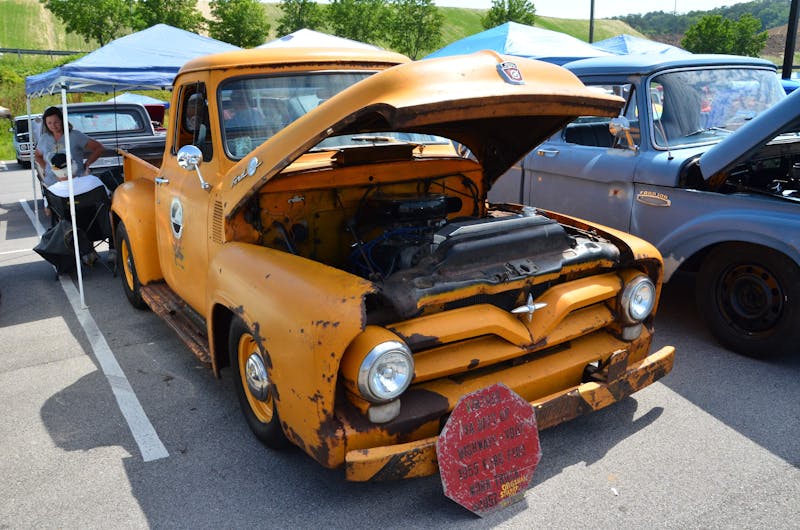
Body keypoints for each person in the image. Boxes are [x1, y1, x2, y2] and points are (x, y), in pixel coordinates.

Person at [34, 106, 105, 187]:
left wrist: (87, 164)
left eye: (56, 122)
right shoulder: (44, 138)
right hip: (52, 184)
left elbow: (99, 148)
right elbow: (37, 156)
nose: (53, 125)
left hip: (75, 183)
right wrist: (46, 169)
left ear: (62, 120)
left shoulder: (75, 136)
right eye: (49, 123)